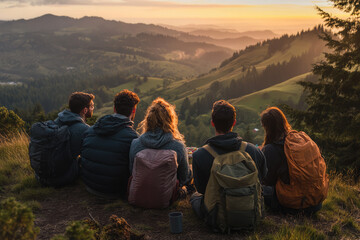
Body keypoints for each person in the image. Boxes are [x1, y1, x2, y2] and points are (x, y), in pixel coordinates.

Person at [190, 100, 267, 227]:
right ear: (234, 123)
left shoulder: (199, 155)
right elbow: (262, 176)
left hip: (216, 215)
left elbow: (201, 189)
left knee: (195, 197)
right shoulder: (253, 150)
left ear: (212, 123)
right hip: (250, 209)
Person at [260, 107, 328, 214]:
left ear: (267, 127)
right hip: (316, 203)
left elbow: (267, 180)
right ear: (283, 121)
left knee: (258, 189)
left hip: (293, 205)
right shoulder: (302, 139)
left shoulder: (271, 149)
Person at [80, 90, 139, 198]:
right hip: (115, 191)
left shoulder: (91, 130)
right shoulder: (133, 137)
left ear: (114, 109)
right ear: (134, 110)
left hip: (90, 186)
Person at [32, 92, 95, 187]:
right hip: (61, 179)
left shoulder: (59, 120)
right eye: (92, 106)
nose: (93, 108)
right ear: (85, 110)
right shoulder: (85, 129)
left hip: (41, 176)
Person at [129, 97, 192, 189]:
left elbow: (132, 172)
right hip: (167, 198)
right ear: (170, 121)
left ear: (148, 120)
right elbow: (184, 178)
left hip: (139, 194)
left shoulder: (135, 144)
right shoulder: (178, 146)